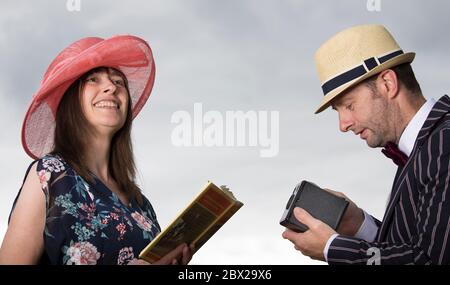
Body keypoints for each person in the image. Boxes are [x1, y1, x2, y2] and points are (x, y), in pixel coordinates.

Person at [0, 35, 193, 265]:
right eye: (93, 79)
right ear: (71, 99)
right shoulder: (49, 176)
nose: (111, 87)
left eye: (118, 82)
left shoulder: (141, 205)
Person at [282, 24, 450, 265]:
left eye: (349, 105)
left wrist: (333, 247)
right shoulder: (420, 149)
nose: (343, 124)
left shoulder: (444, 144)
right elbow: (412, 248)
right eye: (337, 111)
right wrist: (359, 225)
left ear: (388, 84)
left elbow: (431, 260)